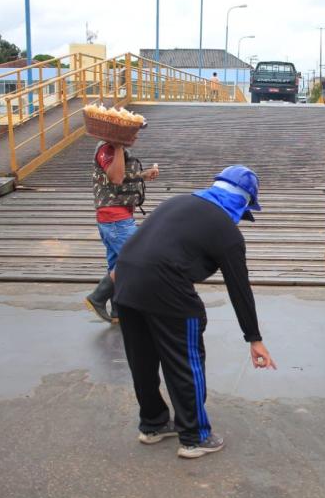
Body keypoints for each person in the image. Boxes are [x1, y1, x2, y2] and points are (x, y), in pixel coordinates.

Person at [113, 165, 277, 459]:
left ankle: (153, 425)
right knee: (185, 361)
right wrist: (254, 338)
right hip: (165, 287)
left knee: (143, 360)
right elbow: (239, 289)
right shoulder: (226, 231)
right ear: (242, 202)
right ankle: (195, 436)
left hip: (125, 280)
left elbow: (147, 244)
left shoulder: (178, 202)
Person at [85, 139, 159, 323]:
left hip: (116, 217)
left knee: (117, 263)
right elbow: (115, 177)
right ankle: (98, 297)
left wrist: (142, 175)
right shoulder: (107, 149)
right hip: (115, 218)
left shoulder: (114, 149)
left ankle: (118, 310)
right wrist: (118, 146)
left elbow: (118, 178)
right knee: (136, 257)